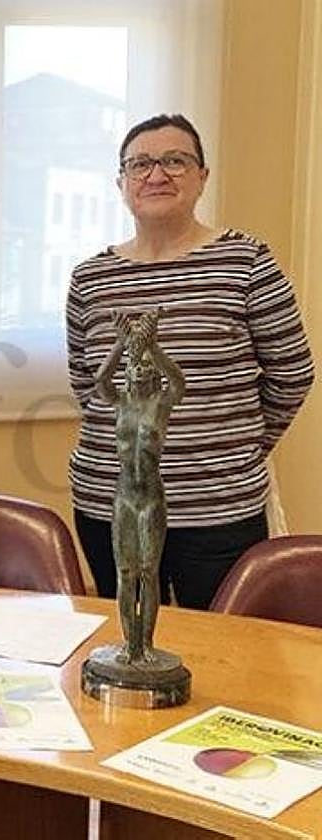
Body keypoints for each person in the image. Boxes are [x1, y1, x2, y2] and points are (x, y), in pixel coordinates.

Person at [67, 113, 314, 610]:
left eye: (175, 161)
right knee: (125, 640)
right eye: (140, 165)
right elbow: (88, 387)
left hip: (216, 509)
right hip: (110, 503)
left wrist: (236, 447)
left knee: (221, 647)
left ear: (202, 176)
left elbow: (292, 373)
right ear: (121, 183)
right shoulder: (90, 278)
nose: (156, 175)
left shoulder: (246, 261)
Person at [95, 309, 184, 664]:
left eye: (147, 366)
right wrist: (120, 345)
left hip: (150, 497)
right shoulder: (122, 404)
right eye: (136, 365)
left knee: (149, 573)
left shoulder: (160, 406)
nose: (141, 370)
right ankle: (128, 645)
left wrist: (154, 346)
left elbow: (179, 383)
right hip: (124, 497)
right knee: (125, 574)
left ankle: (145, 644)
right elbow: (101, 381)